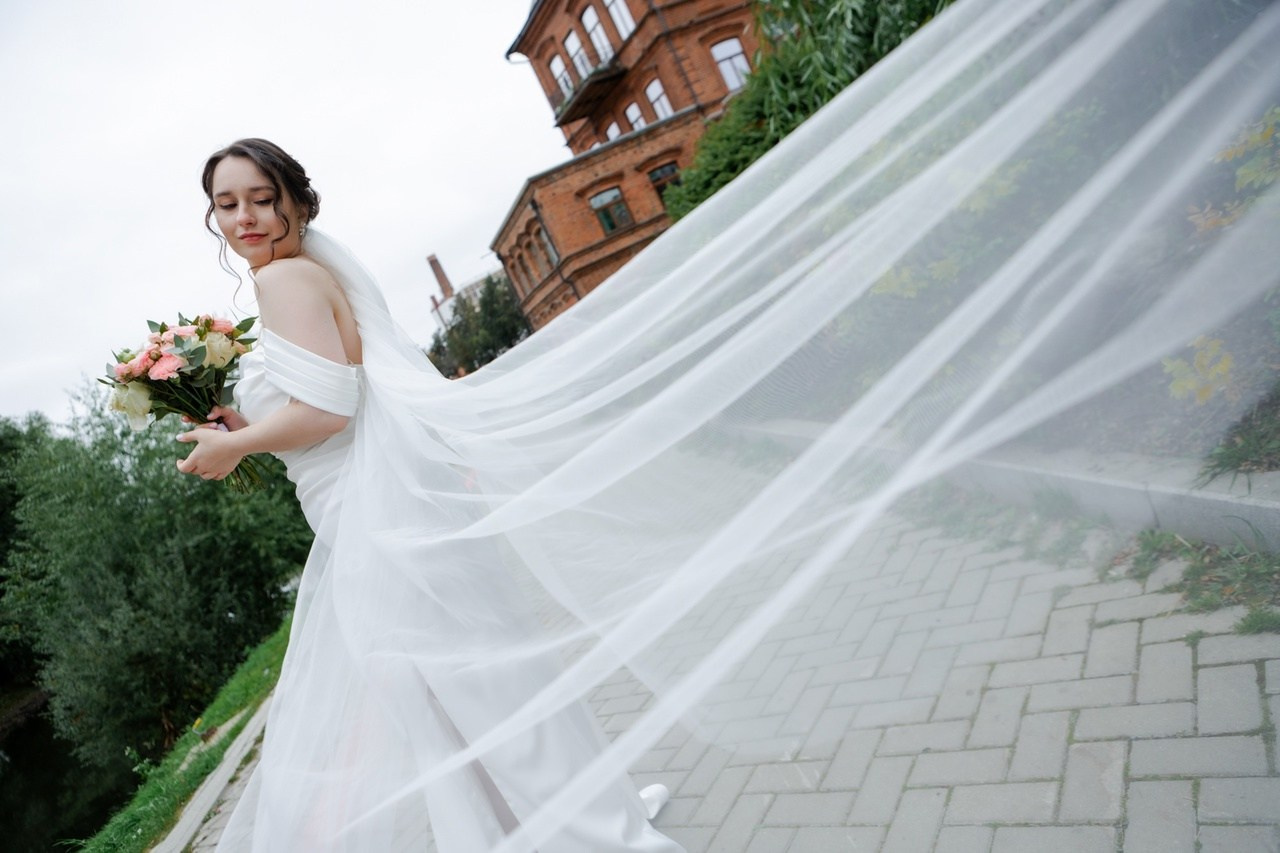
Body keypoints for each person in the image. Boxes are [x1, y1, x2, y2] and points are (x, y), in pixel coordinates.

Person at [179, 138, 682, 852]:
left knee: (469, 685)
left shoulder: (282, 281)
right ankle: (585, 815)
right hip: (381, 501)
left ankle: (593, 831)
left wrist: (236, 447)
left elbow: (328, 414)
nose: (245, 218)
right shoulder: (309, 271)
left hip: (375, 513)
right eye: (227, 204)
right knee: (482, 676)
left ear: (296, 200)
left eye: (262, 199)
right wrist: (246, 425)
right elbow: (330, 397)